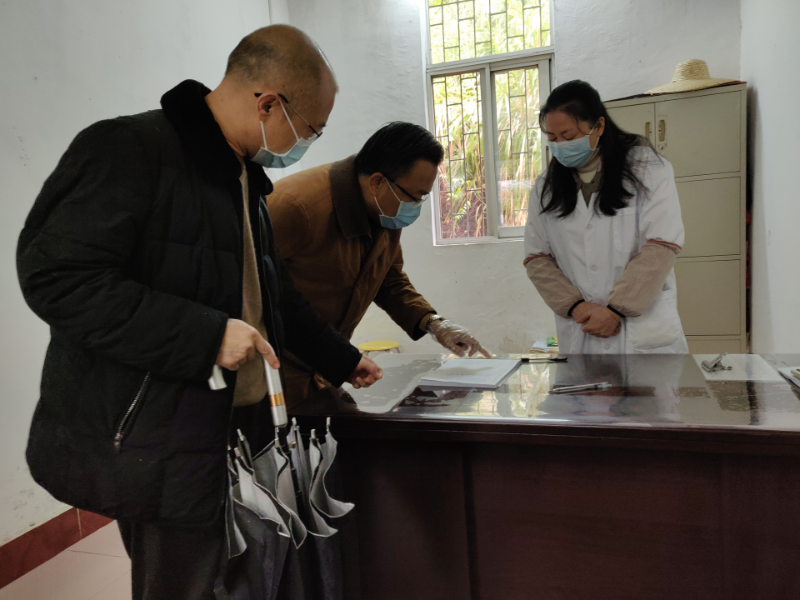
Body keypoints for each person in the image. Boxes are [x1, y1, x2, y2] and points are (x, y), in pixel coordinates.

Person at [16, 25, 382, 600]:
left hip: (236, 426)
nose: (306, 143)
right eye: (311, 129)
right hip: (162, 434)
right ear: (268, 103)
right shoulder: (130, 149)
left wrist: (342, 358)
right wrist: (206, 336)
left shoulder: (244, 177)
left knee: (241, 578)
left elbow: (272, 294)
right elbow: (57, 278)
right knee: (183, 584)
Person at [267, 122, 490, 407]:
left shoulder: (384, 211)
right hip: (274, 372)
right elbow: (263, 295)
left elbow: (388, 279)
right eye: (415, 196)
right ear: (377, 182)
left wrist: (434, 323)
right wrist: (341, 358)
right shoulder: (294, 207)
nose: (416, 205)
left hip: (324, 366)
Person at [523, 80, 688, 354]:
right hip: (582, 325)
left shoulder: (647, 168)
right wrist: (577, 307)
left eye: (568, 136)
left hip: (642, 331)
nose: (560, 145)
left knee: (650, 383)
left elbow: (661, 246)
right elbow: (537, 258)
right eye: (552, 138)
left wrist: (615, 310)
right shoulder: (546, 188)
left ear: (598, 126)